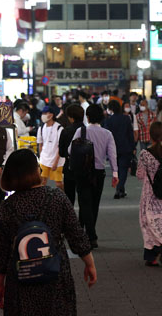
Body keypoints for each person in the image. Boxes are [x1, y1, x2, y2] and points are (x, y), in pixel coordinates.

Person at [0, 149, 97, 315]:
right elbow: (76, 235)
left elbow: (0, 253)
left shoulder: (6, 208)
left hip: (20, 280)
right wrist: (89, 264)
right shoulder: (56, 198)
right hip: (55, 276)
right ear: (36, 170)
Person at [69, 104, 119, 249]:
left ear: (88, 117)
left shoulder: (81, 131)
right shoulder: (107, 134)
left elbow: (70, 150)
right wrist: (115, 173)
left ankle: (89, 235)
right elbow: (112, 155)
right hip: (99, 172)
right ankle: (90, 235)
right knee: (94, 204)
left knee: (84, 202)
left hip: (83, 172)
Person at [137, 122, 162, 266]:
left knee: (148, 223)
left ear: (151, 135)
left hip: (150, 195)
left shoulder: (144, 154)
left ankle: (153, 254)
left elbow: (140, 174)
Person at [105, 100, 135, 199]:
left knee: (116, 169)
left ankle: (120, 189)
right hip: (125, 147)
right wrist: (133, 147)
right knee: (123, 169)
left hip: (113, 148)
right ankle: (120, 188)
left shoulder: (109, 120)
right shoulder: (126, 118)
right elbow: (130, 133)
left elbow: (106, 136)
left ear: (111, 109)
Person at [58, 104, 84, 205]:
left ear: (71, 117)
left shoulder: (66, 131)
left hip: (70, 167)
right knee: (84, 196)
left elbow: (61, 153)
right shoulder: (87, 130)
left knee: (69, 196)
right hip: (85, 167)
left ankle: (70, 214)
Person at [37, 106, 65, 190]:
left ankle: (62, 197)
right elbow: (40, 144)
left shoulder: (59, 128)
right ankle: (42, 197)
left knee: (58, 183)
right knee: (42, 181)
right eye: (42, 113)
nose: (43, 115)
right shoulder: (41, 128)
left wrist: (55, 162)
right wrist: (41, 158)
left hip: (57, 160)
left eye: (45, 113)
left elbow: (61, 146)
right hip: (44, 159)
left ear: (51, 115)